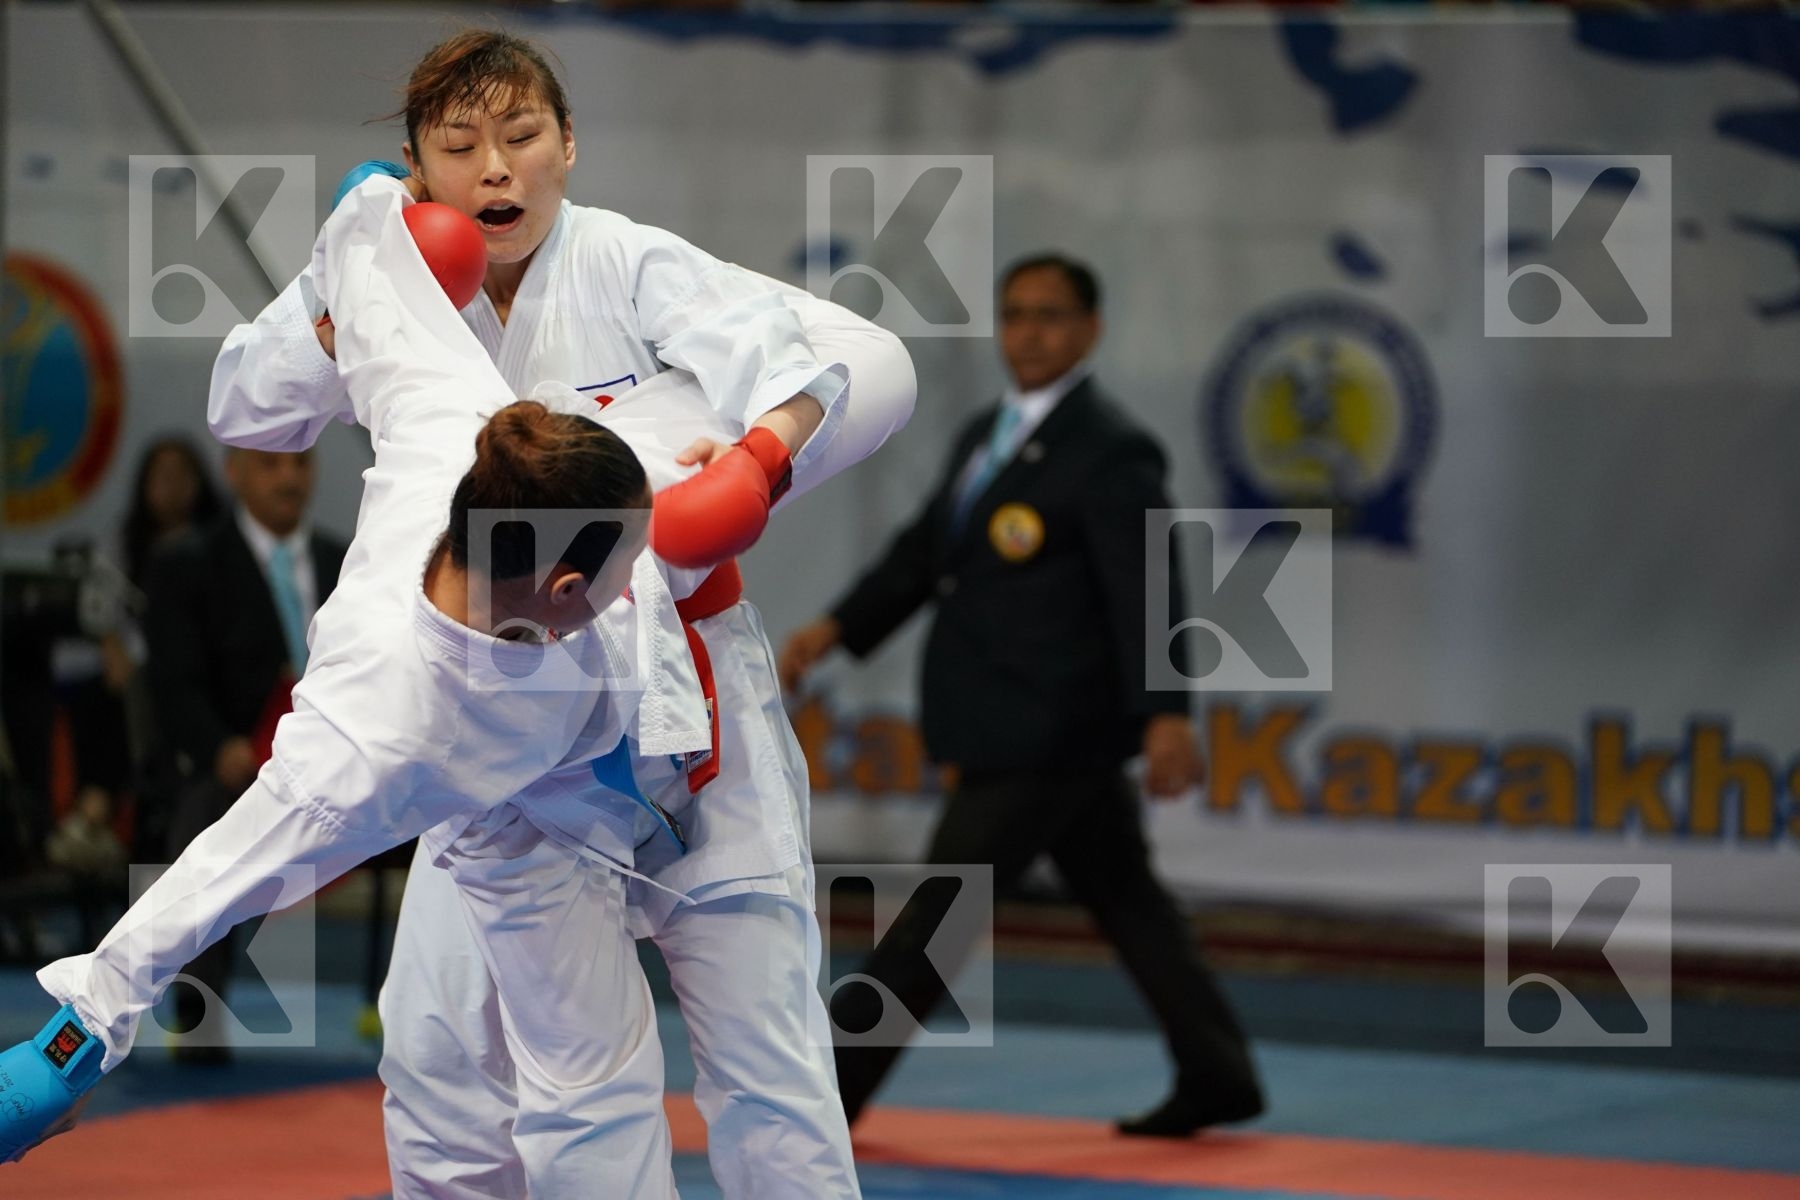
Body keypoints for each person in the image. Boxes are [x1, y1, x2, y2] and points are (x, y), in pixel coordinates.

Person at [209, 29, 914, 1199]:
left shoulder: (628, 265)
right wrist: (343, 281)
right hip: (496, 729)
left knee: (768, 1066)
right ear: (414, 169)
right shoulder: (386, 279)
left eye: (524, 137)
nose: (497, 170)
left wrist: (759, 463)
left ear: (569, 146)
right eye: (461, 147)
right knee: (437, 1056)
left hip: (689, 710)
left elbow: (841, 360)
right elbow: (248, 402)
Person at [2, 177, 725, 1193]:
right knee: (487, 1081)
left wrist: (375, 205)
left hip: (596, 759)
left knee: (594, 1072)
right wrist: (61, 1054)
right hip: (497, 814)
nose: (630, 585)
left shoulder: (457, 429)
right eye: (617, 574)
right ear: (565, 587)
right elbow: (209, 883)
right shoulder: (366, 741)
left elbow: (375, 258)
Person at [779, 253, 1268, 1138]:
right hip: (1020, 724)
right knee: (1129, 902)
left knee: (937, 914)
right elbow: (926, 556)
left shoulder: (1111, 449)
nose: (1029, 333)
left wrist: (1166, 713)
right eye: (1015, 315)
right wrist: (835, 630)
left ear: (1089, 330)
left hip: (1046, 729)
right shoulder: (986, 435)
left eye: (1050, 316)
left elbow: (1148, 590)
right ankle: (1217, 1070)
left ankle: (827, 1093)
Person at [142, 447, 347, 1060]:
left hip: (344, 758)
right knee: (204, 822)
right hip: (234, 762)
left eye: (302, 463)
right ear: (232, 470)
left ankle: (445, 1023)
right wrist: (220, 747)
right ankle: (196, 1015)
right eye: (270, 464)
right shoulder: (187, 562)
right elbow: (171, 681)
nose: (289, 478)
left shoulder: (350, 560)